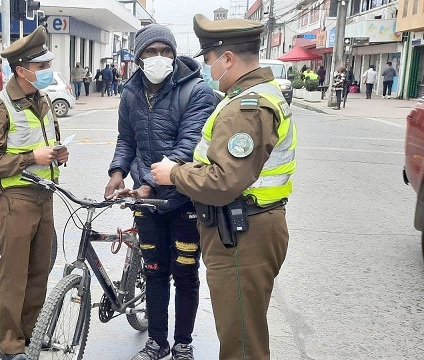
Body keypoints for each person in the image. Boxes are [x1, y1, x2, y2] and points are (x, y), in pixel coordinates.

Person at [151, 14, 297, 360]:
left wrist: (175, 173)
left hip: (241, 235)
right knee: (242, 333)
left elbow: (224, 181)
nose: (208, 68)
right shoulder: (253, 97)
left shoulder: (246, 108)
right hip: (245, 228)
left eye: (209, 60)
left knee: (241, 346)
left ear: (227, 58)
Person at [105, 23, 217, 360]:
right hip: (146, 200)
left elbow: (190, 145)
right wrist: (117, 171)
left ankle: (182, 343)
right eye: (151, 52)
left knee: (185, 272)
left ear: (173, 54)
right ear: (139, 57)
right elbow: (127, 139)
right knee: (154, 271)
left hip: (184, 198)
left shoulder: (197, 91)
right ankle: (157, 342)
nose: (158, 58)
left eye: (164, 51)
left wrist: (149, 183)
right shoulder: (130, 93)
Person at [0, 26, 69, 360]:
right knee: (14, 276)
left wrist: (57, 154)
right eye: (41, 67)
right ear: (21, 70)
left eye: (46, 66)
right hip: (16, 201)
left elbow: (42, 144)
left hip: (45, 197)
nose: (47, 72)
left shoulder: (41, 99)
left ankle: (32, 334)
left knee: (38, 272)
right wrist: (32, 158)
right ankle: (10, 345)